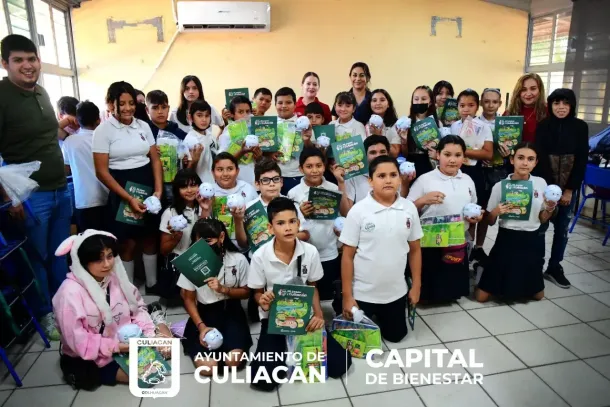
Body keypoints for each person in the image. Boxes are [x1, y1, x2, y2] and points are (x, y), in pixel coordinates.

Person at [0, 34, 73, 338]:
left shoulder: (41, 92)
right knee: (37, 258)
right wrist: (9, 198)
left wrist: (64, 128)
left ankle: (64, 307)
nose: (27, 65)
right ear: (5, 63)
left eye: (31, 59)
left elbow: (43, 137)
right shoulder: (2, 96)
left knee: (59, 254)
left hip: (60, 189)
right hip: (30, 196)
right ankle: (45, 315)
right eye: (18, 60)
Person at [248, 197, 351, 391]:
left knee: (341, 364)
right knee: (263, 380)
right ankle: (283, 350)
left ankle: (294, 350)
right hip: (274, 319)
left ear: (298, 223)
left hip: (304, 316)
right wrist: (262, 300)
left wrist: (318, 315)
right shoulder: (260, 256)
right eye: (280, 223)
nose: (287, 228)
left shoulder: (310, 252)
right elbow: (257, 293)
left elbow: (312, 286)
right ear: (270, 228)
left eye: (292, 221)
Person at [52, 230, 159, 390]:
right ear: (82, 261)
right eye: (98, 259)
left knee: (163, 356)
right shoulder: (69, 293)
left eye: (110, 256)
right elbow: (78, 341)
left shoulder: (116, 278)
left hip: (125, 344)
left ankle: (157, 321)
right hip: (94, 356)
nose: (107, 264)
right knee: (147, 378)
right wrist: (117, 347)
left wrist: (148, 335)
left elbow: (137, 308)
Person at [340, 155, 423, 342]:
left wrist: (416, 286)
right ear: (370, 181)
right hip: (363, 292)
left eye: (393, 175)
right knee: (360, 343)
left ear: (400, 178)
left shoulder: (409, 208)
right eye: (381, 176)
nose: (388, 180)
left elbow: (415, 250)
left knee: (396, 337)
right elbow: (347, 256)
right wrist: (347, 296)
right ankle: (342, 302)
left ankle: (385, 315)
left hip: (395, 291)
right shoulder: (358, 211)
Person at [92, 82, 162, 293]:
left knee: (150, 237)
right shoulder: (103, 131)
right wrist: (128, 198)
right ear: (110, 104)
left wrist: (158, 191)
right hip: (121, 190)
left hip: (147, 186)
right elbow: (101, 172)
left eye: (131, 103)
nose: (128, 108)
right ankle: (129, 290)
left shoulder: (143, 126)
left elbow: (155, 160)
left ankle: (153, 284)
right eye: (121, 103)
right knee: (127, 242)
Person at [477, 142, 557, 302]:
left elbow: (542, 219)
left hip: (532, 240)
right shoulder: (500, 186)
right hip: (507, 239)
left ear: (535, 163)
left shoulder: (541, 183)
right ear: (512, 160)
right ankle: (481, 271)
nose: (525, 163)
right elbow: (489, 221)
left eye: (530, 159)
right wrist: (496, 211)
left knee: (539, 296)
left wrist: (549, 208)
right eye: (521, 158)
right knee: (481, 297)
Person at [407, 136, 482, 303]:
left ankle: (450, 295)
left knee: (453, 278)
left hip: (457, 239)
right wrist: (422, 200)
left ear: (464, 157)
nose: (452, 160)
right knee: (431, 279)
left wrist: (475, 217)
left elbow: (474, 206)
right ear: (438, 155)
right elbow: (406, 209)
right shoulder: (425, 179)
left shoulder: (467, 180)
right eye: (447, 154)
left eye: (458, 155)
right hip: (430, 241)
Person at [179, 218, 251, 375]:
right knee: (208, 368)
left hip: (231, 310)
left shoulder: (237, 259)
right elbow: (188, 299)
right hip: (204, 312)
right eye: (199, 243)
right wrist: (201, 327)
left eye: (208, 241)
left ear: (222, 237)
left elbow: (247, 292)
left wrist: (224, 289)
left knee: (233, 361)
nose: (204, 247)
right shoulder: (192, 262)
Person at [535, 89, 589, 289]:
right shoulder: (543, 126)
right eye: (556, 103)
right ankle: (536, 265)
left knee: (562, 230)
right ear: (550, 105)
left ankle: (554, 267)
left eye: (565, 103)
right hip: (545, 188)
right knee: (540, 227)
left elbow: (581, 160)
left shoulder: (580, 127)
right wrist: (549, 191)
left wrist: (569, 190)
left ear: (572, 105)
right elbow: (540, 159)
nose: (561, 107)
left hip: (568, 189)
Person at [288, 147, 341, 309]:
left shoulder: (333, 188)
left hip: (330, 250)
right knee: (309, 292)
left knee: (332, 293)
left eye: (318, 165)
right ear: (301, 169)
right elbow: (291, 225)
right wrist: (301, 214)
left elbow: (341, 215)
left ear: (324, 166)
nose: (314, 170)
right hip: (304, 253)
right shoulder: (293, 193)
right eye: (309, 166)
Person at [236, 158, 310, 252]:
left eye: (276, 179)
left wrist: (282, 239)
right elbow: (243, 244)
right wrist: (237, 220)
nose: (272, 184)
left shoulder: (291, 204)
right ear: (257, 184)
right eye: (265, 180)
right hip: (259, 258)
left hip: (288, 254)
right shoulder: (249, 208)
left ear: (281, 182)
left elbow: (305, 234)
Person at [450, 89, 493, 242]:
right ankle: (456, 243)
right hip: (455, 172)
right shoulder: (454, 126)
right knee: (457, 208)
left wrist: (461, 151)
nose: (466, 109)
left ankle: (472, 246)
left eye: (471, 105)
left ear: (477, 106)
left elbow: (488, 153)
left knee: (474, 210)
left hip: (475, 172)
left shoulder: (483, 126)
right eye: (462, 105)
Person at [471, 88, 508, 262]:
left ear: (500, 103)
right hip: (476, 172)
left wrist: (508, 153)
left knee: (486, 212)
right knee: (473, 209)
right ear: (481, 103)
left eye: (494, 102)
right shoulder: (474, 123)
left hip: (497, 173)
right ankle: (468, 246)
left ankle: (479, 247)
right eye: (486, 101)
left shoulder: (506, 125)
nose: (490, 105)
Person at [62, 101, 109, 233]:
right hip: (108, 197)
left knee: (89, 239)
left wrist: (67, 121)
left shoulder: (70, 142)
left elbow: (66, 170)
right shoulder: (106, 139)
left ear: (77, 121)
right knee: (109, 238)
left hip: (84, 200)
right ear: (98, 120)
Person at [158, 169, 206, 298]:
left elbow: (207, 238)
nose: (189, 190)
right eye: (184, 187)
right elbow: (164, 250)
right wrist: (176, 238)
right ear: (177, 190)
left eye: (193, 185)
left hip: (202, 260)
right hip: (180, 264)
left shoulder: (205, 206)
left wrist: (205, 210)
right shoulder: (170, 213)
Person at [335, 135, 412, 216]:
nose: (378, 156)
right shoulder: (354, 175)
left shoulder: (395, 172)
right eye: (373, 152)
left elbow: (401, 203)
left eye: (382, 152)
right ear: (365, 155)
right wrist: (341, 183)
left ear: (388, 153)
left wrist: (405, 184)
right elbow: (346, 213)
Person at [211, 153, 259, 250]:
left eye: (230, 169)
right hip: (218, 249)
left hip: (247, 245)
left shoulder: (248, 189)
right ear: (213, 173)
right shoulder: (209, 192)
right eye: (220, 169)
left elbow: (257, 219)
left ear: (237, 171)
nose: (225, 174)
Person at [275, 87, 315, 195]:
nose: (284, 106)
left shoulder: (304, 124)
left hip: (297, 175)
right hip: (274, 176)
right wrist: (269, 154)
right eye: (280, 103)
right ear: (275, 105)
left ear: (295, 104)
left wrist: (307, 140)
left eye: (288, 102)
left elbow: (312, 151)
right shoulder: (270, 125)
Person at [218, 96, 263, 185]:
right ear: (232, 114)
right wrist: (241, 152)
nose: (245, 115)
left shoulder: (256, 131)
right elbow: (222, 161)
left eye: (248, 111)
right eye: (240, 112)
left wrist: (259, 157)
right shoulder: (227, 134)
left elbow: (262, 158)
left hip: (255, 179)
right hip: (237, 180)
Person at [399, 85, 440, 179]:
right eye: (416, 99)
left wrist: (437, 155)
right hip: (412, 167)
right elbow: (405, 154)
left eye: (424, 99)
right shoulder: (407, 123)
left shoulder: (436, 122)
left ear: (430, 102)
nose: (419, 102)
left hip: (431, 165)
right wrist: (404, 141)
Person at [183, 100, 218, 184]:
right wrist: (194, 161)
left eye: (207, 115)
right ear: (190, 117)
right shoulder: (190, 140)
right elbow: (187, 173)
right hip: (201, 185)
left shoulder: (210, 135)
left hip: (215, 183)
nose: (204, 119)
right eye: (199, 115)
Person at [505, 73, 547, 143]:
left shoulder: (548, 111)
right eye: (523, 89)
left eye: (533, 89)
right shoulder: (509, 112)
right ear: (518, 92)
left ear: (540, 90)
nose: (528, 93)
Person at [366, 89, 401, 156]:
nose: (378, 103)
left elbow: (395, 154)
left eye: (382, 100)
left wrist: (379, 136)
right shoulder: (365, 124)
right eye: (374, 100)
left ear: (388, 104)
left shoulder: (395, 125)